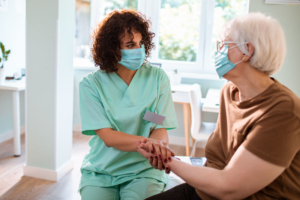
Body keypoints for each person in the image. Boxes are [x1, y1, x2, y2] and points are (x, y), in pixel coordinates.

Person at [138, 13, 300, 200]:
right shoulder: (229, 92)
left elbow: (229, 186)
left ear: (247, 50)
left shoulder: (284, 110)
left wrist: (168, 160)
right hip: (208, 190)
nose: (219, 51)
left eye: (224, 45)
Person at [78, 10, 177, 200]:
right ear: (111, 48)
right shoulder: (91, 85)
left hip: (144, 169)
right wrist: (151, 144)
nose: (138, 50)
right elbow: (108, 137)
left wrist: (159, 147)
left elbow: (159, 126)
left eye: (141, 44)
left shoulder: (157, 79)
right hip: (102, 170)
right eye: (130, 44)